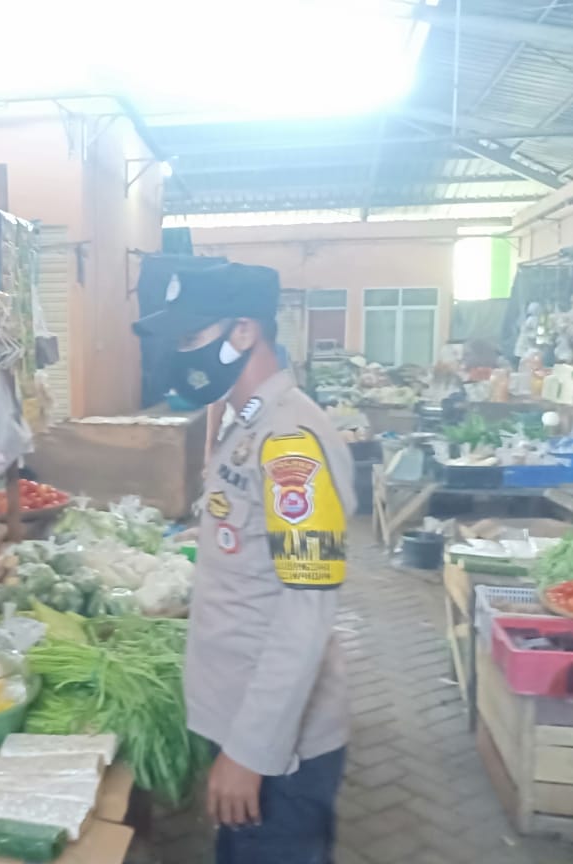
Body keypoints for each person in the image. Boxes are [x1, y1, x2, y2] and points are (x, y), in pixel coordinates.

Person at [134, 263, 356, 864]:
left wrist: (251, 753)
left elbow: (306, 613)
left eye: (191, 338)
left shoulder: (291, 442)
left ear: (244, 332)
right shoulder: (250, 423)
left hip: (276, 747)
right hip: (241, 721)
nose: (181, 354)